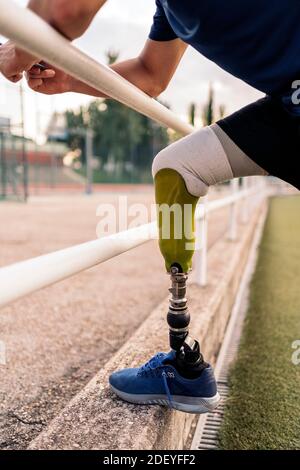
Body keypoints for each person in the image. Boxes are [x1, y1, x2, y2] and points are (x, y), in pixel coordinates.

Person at [1, 0, 299, 414]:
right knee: (177, 167)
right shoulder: (168, 9)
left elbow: (65, 10)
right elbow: (151, 74)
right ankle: (183, 363)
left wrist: (16, 49)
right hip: (292, 107)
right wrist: (70, 78)